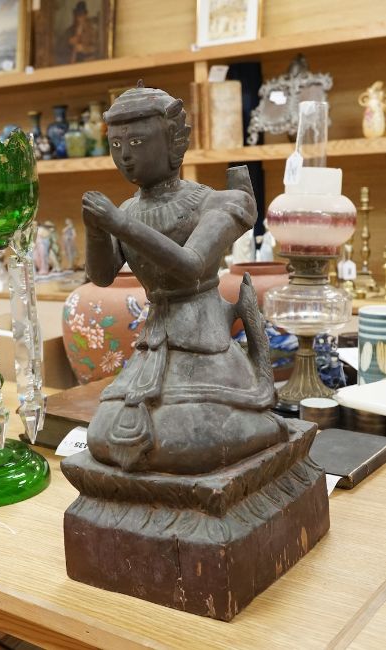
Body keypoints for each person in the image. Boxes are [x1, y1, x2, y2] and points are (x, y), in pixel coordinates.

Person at [83, 83, 287, 474]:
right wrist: (95, 229)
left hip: (203, 337)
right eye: (116, 145)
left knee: (188, 441)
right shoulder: (128, 209)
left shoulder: (218, 202)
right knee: (103, 436)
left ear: (174, 142)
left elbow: (192, 265)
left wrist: (119, 224)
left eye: (137, 142)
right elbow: (102, 276)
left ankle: (268, 427)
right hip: (154, 343)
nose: (125, 155)